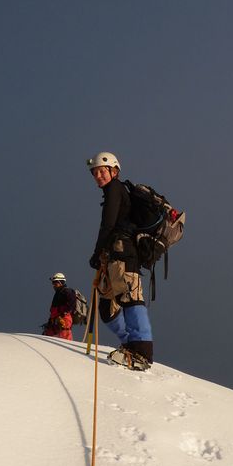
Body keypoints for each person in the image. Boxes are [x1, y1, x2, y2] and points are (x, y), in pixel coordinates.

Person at [87, 151, 153, 369]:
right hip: (114, 256)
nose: (98, 176)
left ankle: (141, 352)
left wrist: (97, 253)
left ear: (114, 171)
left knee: (131, 299)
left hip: (124, 254)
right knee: (107, 305)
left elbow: (108, 224)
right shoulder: (112, 191)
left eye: (101, 171)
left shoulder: (115, 189)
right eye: (95, 173)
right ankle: (128, 344)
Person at [42, 272, 77, 340]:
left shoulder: (67, 291)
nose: (54, 285)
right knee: (46, 338)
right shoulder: (58, 294)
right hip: (54, 321)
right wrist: (50, 322)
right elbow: (53, 310)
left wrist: (62, 313)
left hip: (64, 319)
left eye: (55, 283)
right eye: (53, 283)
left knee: (65, 340)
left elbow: (71, 305)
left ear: (61, 282)